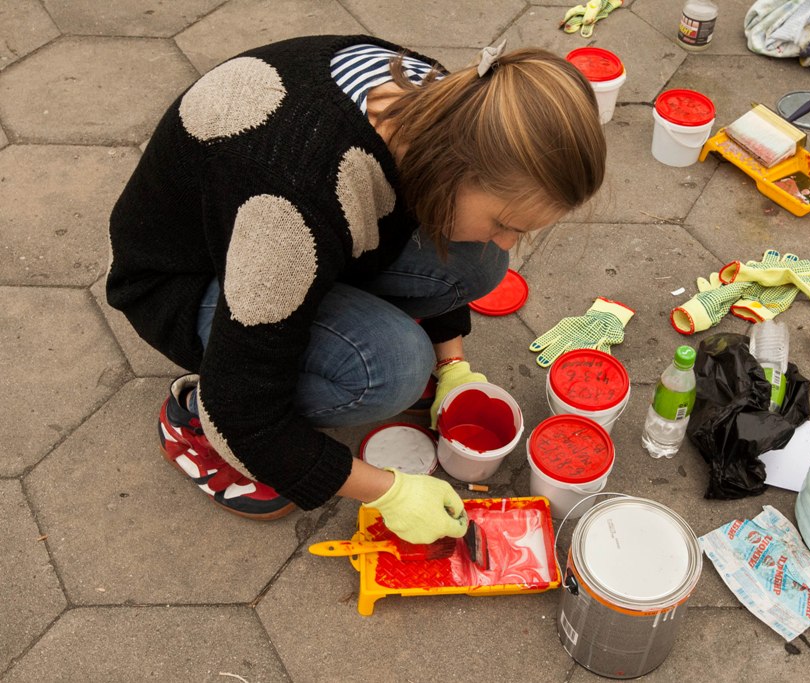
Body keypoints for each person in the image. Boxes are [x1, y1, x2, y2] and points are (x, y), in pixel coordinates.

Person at [106, 36, 606, 544]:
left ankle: (340, 318)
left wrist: (454, 367)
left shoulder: (458, 102)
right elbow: (245, 414)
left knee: (479, 262)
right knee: (393, 370)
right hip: (183, 280)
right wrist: (389, 492)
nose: (509, 242)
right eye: (505, 222)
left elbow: (420, 215)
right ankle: (193, 418)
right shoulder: (293, 202)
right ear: (454, 171)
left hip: (282, 242)